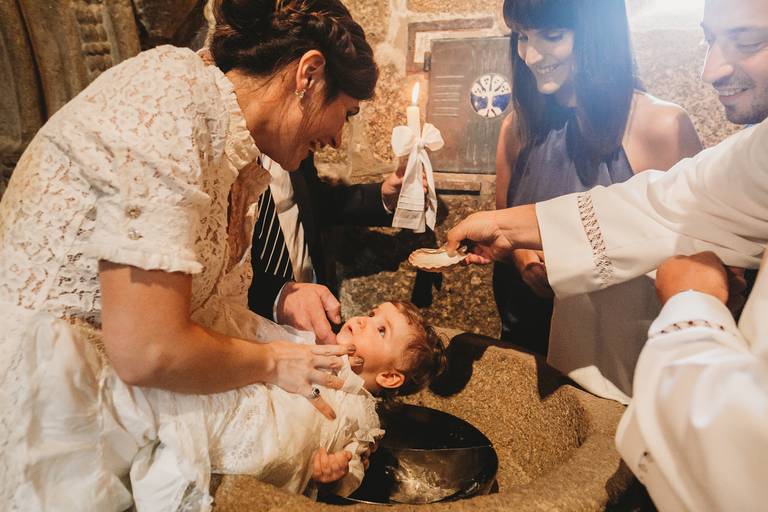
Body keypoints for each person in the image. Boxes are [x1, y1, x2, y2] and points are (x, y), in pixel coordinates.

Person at [0, 0, 380, 506]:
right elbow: (148, 350)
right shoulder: (168, 104)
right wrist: (273, 361)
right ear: (308, 74)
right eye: (346, 114)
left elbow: (205, 314)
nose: (337, 139)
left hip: (121, 403)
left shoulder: (227, 138)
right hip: (53, 411)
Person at [447, 0, 768, 507]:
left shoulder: (658, 123)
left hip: (634, 361)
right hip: (548, 343)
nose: (712, 69)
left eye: (747, 42)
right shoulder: (520, 127)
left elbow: (687, 235)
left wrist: (692, 305)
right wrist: (514, 237)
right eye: (709, 40)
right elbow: (661, 202)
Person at [15, 300, 446, 511]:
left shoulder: (366, 417)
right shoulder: (311, 345)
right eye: (372, 313)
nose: (364, 320)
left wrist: (335, 474)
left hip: (272, 451)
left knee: (184, 467)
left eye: (381, 329)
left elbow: (354, 467)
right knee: (185, 426)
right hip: (246, 413)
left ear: (389, 377)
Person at [494, 0, 701, 367]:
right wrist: (523, 256)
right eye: (522, 37)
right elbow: (504, 219)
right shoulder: (517, 127)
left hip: (616, 355)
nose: (530, 55)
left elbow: (695, 251)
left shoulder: (660, 125)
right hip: (528, 342)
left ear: (598, 36)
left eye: (552, 36)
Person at [248, 154, 403, 344]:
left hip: (316, 316)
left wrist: (381, 195)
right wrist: (278, 296)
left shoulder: (297, 144)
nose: (336, 143)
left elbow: (314, 200)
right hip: (250, 332)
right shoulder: (221, 154)